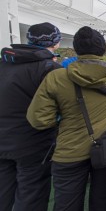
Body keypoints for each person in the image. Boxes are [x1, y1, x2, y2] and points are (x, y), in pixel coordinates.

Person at [27, 26, 106, 211]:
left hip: (68, 153)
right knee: (103, 197)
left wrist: (61, 117)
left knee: (67, 204)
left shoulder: (56, 77)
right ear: (102, 49)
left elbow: (39, 120)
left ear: (76, 49)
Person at [0, 22, 62, 211]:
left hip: (2, 140)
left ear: (27, 39)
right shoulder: (50, 70)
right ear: (56, 42)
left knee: (3, 194)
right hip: (34, 145)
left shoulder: (3, 63)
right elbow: (62, 107)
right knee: (31, 196)